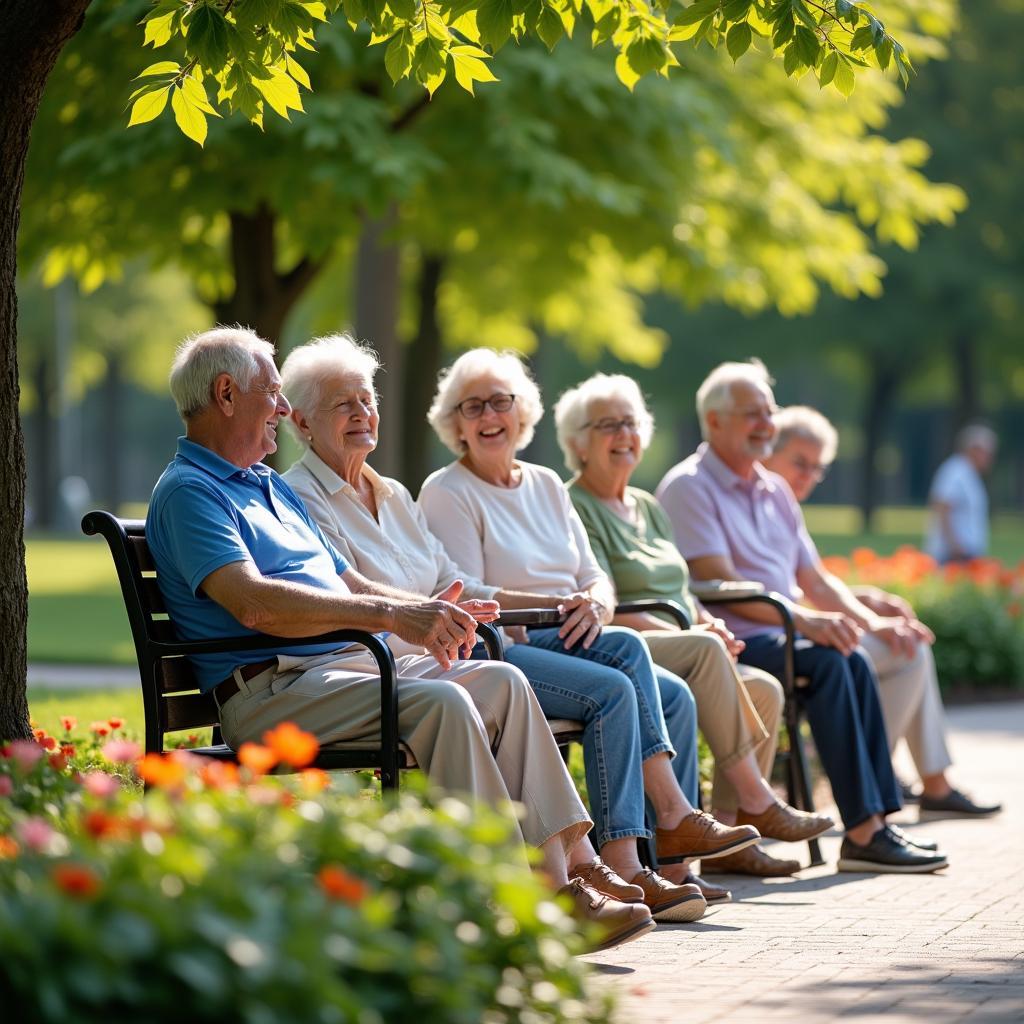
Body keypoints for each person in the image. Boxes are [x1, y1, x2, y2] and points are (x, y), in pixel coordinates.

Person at [146, 326, 654, 951]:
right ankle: (501, 904)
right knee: (444, 702)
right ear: (226, 394)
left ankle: (563, 879)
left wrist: (427, 610)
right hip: (273, 691)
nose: (280, 407)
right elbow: (253, 605)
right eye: (273, 393)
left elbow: (351, 580)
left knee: (503, 682)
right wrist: (391, 619)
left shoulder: (265, 485)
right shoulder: (191, 492)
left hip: (343, 670)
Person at [279, 335, 715, 922]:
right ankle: (575, 878)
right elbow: (348, 593)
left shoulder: (395, 494)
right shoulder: (300, 497)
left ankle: (582, 871)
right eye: (343, 404)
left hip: (444, 654)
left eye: (368, 399)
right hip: (385, 662)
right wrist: (440, 612)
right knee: (522, 679)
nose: (362, 413)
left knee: (607, 679)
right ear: (302, 422)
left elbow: (454, 579)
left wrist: (559, 601)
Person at [417, 348, 762, 903]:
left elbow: (595, 574)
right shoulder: (447, 490)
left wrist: (595, 604)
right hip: (505, 643)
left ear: (521, 411)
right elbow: (466, 590)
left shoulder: (548, 485)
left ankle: (671, 867)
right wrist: (558, 604)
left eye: (499, 402)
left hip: (569, 631)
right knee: (616, 680)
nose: (487, 417)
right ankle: (635, 854)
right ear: (454, 422)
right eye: (471, 406)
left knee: (672, 695)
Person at [656, 359, 949, 873]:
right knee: (836, 663)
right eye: (752, 414)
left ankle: (873, 826)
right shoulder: (689, 486)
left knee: (851, 657)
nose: (766, 424)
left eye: (769, 412)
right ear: (715, 422)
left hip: (783, 630)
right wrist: (804, 622)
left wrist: (860, 620)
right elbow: (716, 582)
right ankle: (861, 833)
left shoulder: (774, 491)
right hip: (739, 640)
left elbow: (815, 580)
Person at [554, 373, 835, 880]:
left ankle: (730, 841)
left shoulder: (649, 508)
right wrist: (696, 633)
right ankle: (757, 796)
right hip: (627, 640)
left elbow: (682, 590)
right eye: (608, 426)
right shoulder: (576, 506)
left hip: (679, 636)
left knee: (764, 689)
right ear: (578, 441)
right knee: (705, 657)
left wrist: (706, 623)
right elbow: (606, 602)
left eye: (631, 423)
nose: (624, 435)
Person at [763, 405, 1000, 817]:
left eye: (817, 468)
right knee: (907, 650)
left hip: (799, 626)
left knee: (909, 643)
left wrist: (866, 600)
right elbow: (764, 595)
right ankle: (881, 780)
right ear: (769, 451)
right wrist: (865, 615)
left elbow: (811, 583)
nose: (808, 476)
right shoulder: (757, 500)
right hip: (776, 635)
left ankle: (888, 779)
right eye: (799, 462)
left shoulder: (782, 505)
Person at [924, 424, 998, 564]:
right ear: (973, 449)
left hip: (966, 554)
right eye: (987, 453)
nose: (989, 458)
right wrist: (955, 546)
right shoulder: (955, 471)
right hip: (953, 556)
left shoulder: (969, 473)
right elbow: (942, 507)